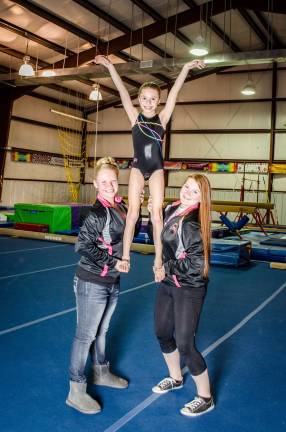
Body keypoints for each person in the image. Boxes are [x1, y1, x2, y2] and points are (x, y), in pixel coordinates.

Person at [94, 55, 205, 281]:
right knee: (133, 213)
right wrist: (109, 66)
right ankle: (125, 257)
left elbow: (174, 92)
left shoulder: (162, 119)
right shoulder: (134, 117)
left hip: (156, 169)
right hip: (137, 167)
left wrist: (185, 67)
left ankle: (158, 261)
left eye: (153, 99)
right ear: (139, 99)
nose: (148, 102)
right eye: (144, 98)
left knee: (156, 215)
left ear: (158, 102)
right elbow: (122, 92)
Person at [66, 157, 128, 415]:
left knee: (103, 331)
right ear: (95, 184)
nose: (109, 185)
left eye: (113, 180)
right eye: (103, 182)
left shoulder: (118, 206)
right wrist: (112, 261)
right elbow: (81, 246)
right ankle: (75, 390)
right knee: (85, 335)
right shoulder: (97, 213)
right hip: (92, 282)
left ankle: (101, 372)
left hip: (111, 280)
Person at [151, 173, 214, 417]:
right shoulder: (173, 208)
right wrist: (153, 217)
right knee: (163, 332)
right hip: (169, 282)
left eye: (194, 191)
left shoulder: (193, 222)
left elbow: (196, 266)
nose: (187, 192)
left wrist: (164, 267)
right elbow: (159, 238)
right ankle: (175, 378)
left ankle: (205, 397)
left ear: (202, 198)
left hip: (189, 287)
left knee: (186, 344)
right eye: (187, 186)